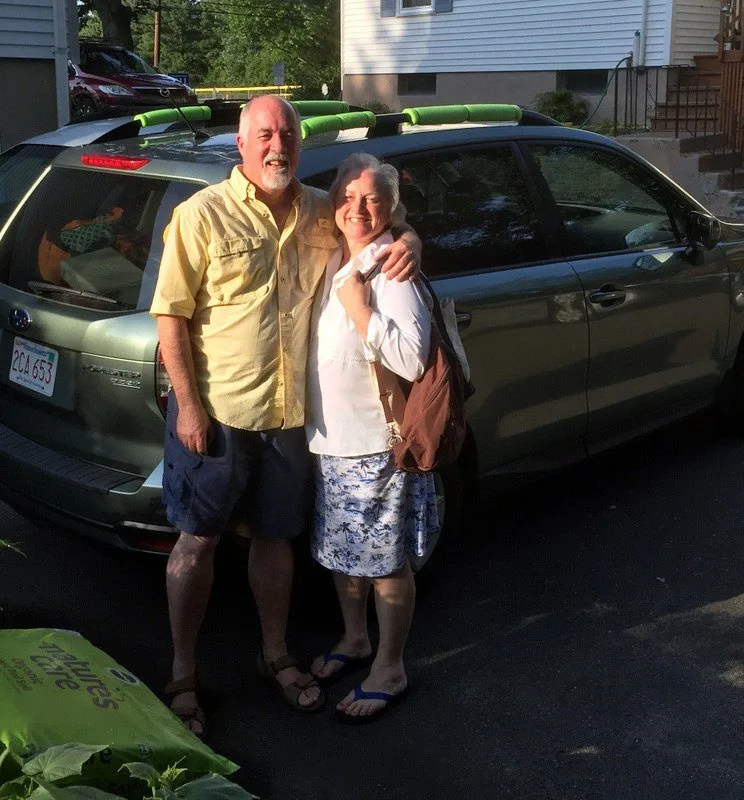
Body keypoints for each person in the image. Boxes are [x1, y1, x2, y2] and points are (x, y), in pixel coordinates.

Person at [149, 96, 421, 736]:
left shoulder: (321, 212)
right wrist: (188, 405)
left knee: (274, 541)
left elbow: (373, 223)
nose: (279, 146)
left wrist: (410, 238)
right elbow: (170, 316)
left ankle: (276, 656)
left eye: (289, 135)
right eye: (265, 134)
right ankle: (183, 673)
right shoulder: (201, 216)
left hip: (289, 417)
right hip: (215, 415)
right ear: (240, 145)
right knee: (196, 542)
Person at [306, 153, 438, 724]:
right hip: (332, 441)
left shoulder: (391, 271)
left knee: (384, 562)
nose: (358, 209)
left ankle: (390, 666)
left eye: (374, 200)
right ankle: (355, 639)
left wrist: (360, 310)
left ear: (392, 209)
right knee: (344, 553)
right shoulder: (335, 253)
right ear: (333, 201)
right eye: (349, 197)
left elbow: (411, 359)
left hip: (374, 443)